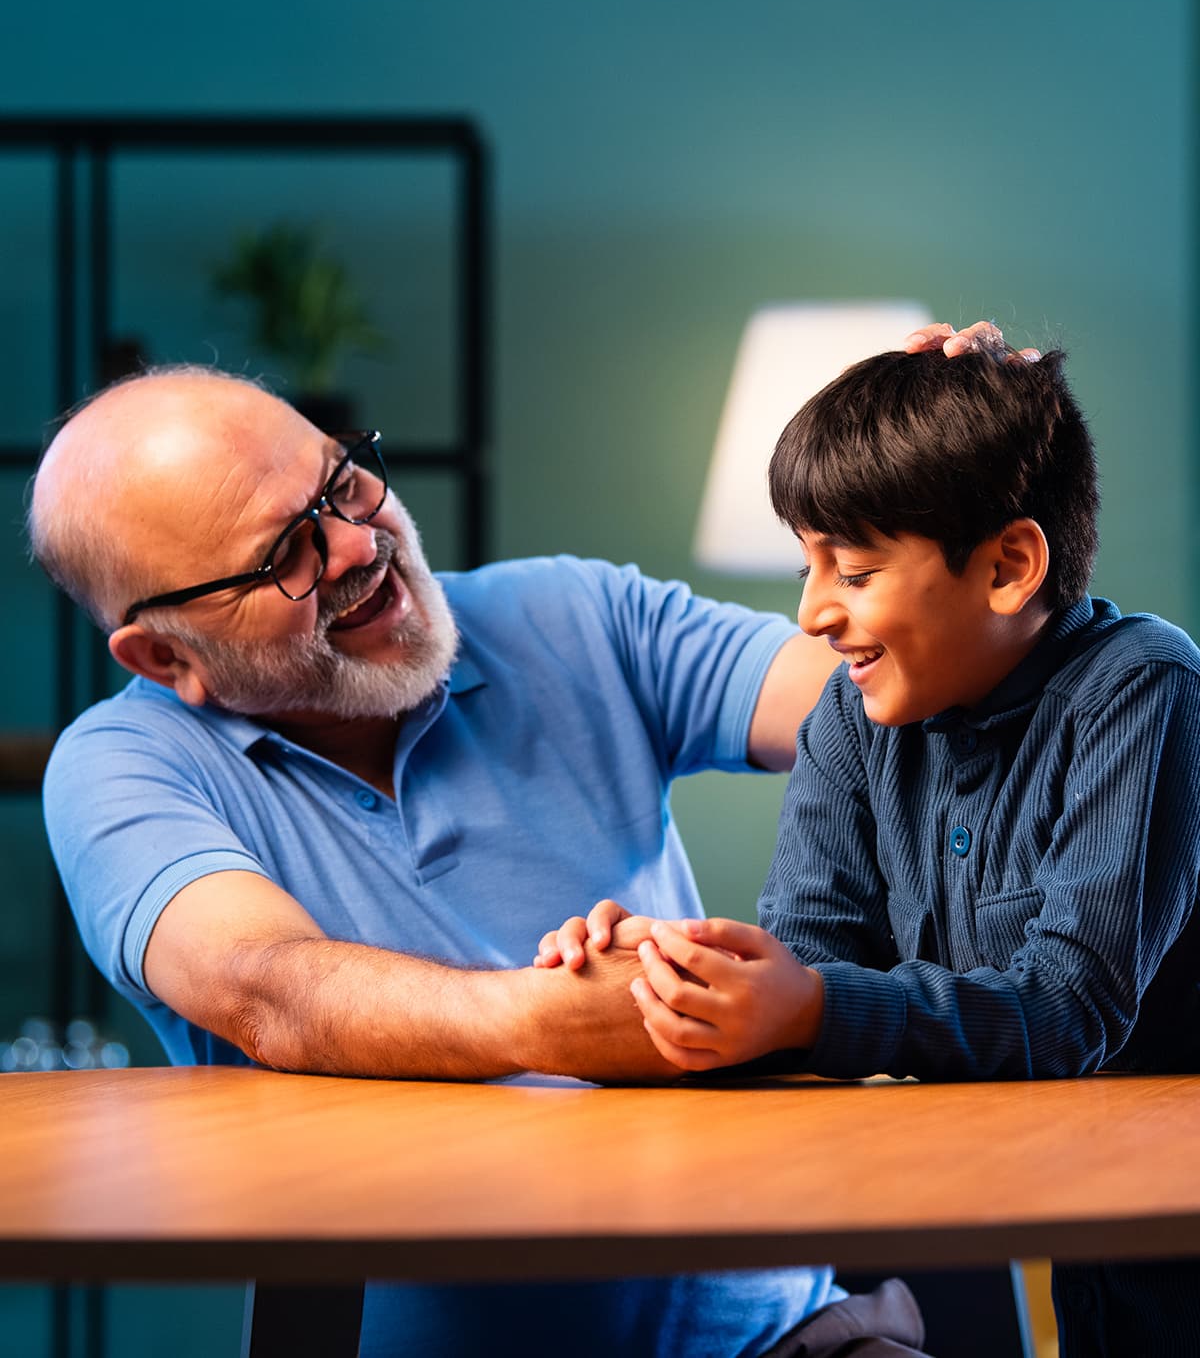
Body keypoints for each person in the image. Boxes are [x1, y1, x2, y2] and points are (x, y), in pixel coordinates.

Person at [33, 327, 968, 1357]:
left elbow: (879, 698)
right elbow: (268, 987)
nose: (355, 545)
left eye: (341, 485)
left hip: (790, 1339)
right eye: (284, 555)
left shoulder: (569, 614)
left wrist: (948, 484)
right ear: (167, 654)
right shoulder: (123, 766)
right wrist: (558, 1021)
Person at [553, 340, 1200, 1357]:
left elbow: (1073, 1010)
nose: (813, 613)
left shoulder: (1138, 688)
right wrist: (678, 976)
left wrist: (806, 1008)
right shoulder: (852, 719)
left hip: (1164, 1225)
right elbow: (810, 959)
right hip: (1031, 1209)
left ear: (1008, 566)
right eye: (809, 564)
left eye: (852, 570)